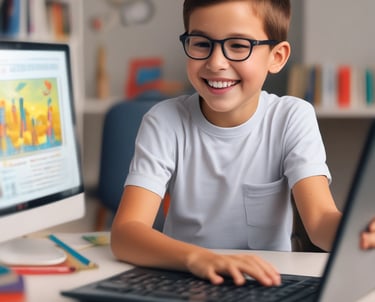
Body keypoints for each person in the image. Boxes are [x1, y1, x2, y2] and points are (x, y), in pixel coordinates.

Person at [111, 0, 375, 287]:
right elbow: (126, 232)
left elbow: (321, 222)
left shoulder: (291, 117)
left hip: (267, 283)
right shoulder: (164, 121)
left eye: (238, 45)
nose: (215, 62)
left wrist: (358, 233)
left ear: (277, 56)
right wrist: (199, 258)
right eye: (201, 43)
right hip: (187, 279)